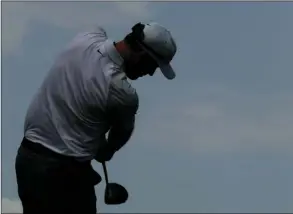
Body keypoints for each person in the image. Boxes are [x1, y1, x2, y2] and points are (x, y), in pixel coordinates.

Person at [14, 22, 177, 214]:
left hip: (28, 159)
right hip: (63, 176)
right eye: (152, 65)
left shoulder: (88, 37)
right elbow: (120, 134)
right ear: (141, 53)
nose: (150, 72)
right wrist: (107, 149)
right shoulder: (121, 92)